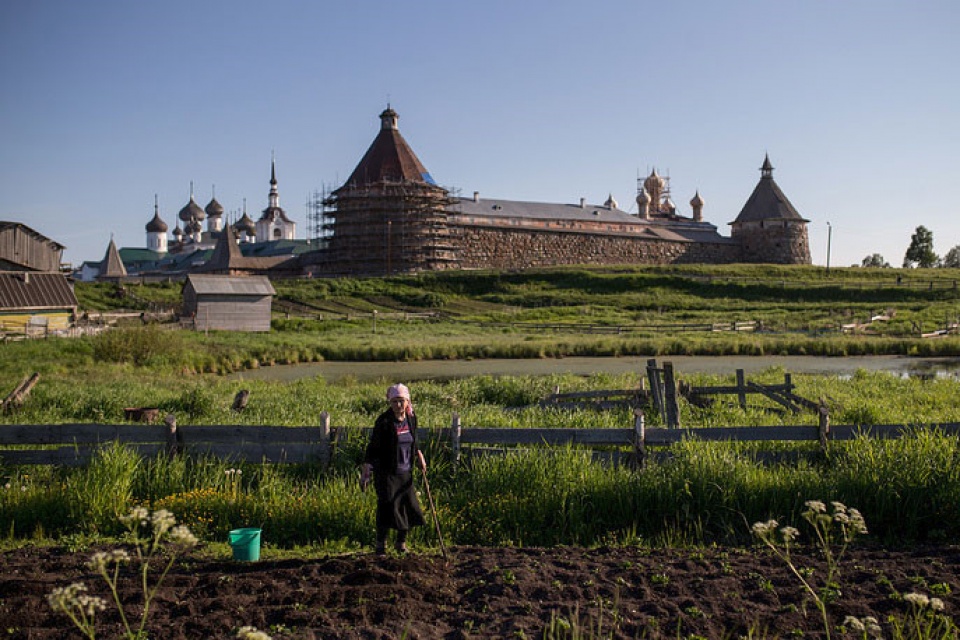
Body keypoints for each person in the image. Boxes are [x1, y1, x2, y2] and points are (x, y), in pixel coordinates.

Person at [360, 383, 427, 555]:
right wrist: (366, 471)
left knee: (408, 506)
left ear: (407, 401)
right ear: (390, 402)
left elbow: (414, 440)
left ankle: (401, 543)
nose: (398, 405)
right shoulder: (384, 422)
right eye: (395, 401)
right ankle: (380, 545)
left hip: (405, 472)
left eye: (401, 401)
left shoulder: (411, 418)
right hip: (387, 474)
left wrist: (419, 455)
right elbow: (373, 449)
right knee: (387, 506)